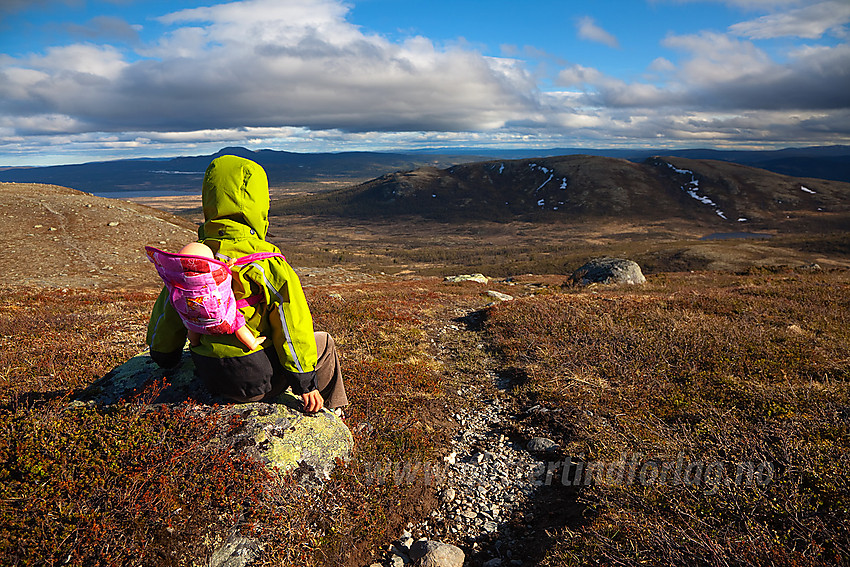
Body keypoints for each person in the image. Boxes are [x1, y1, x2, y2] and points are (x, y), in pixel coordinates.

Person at [146, 155, 348, 414]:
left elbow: (169, 313)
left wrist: (165, 356)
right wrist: (304, 382)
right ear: (258, 203)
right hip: (255, 378)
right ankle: (334, 411)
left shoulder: (194, 262)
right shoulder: (268, 263)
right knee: (325, 342)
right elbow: (291, 325)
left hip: (210, 373)